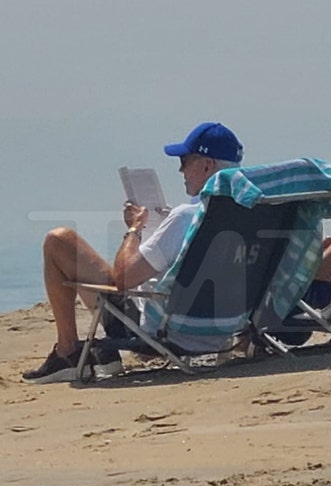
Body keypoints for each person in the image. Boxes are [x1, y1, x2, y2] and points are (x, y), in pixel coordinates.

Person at [22, 122, 245, 383]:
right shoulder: (248, 215)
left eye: (184, 161)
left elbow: (124, 279)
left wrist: (135, 229)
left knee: (59, 240)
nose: (180, 170)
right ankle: (103, 357)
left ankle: (67, 351)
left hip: (163, 329)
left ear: (207, 165)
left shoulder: (187, 217)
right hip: (222, 329)